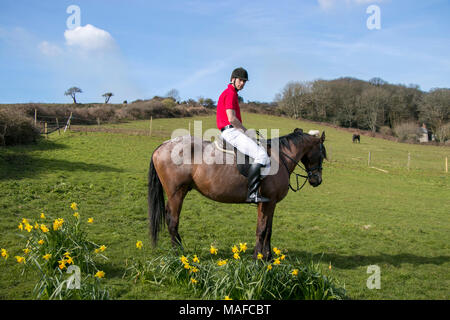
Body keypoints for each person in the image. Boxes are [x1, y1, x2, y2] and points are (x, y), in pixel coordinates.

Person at [216, 67, 271, 203]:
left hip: (231, 131)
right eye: (240, 80)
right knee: (262, 155)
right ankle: (252, 194)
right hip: (231, 131)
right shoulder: (230, 93)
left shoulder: (231, 93)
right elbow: (232, 118)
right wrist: (246, 131)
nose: (242, 84)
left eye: (244, 82)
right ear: (233, 80)